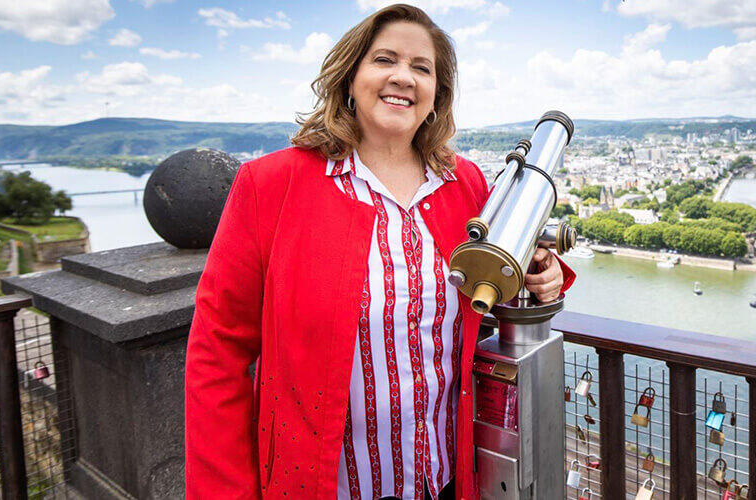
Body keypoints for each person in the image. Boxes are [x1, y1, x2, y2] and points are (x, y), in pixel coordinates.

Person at [184, 4, 575, 499]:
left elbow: (494, 280)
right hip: (325, 486)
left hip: (444, 480)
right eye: (385, 59)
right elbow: (217, 354)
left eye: (421, 68)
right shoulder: (272, 185)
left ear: (436, 95)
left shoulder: (465, 184)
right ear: (350, 77)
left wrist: (543, 275)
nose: (403, 77)